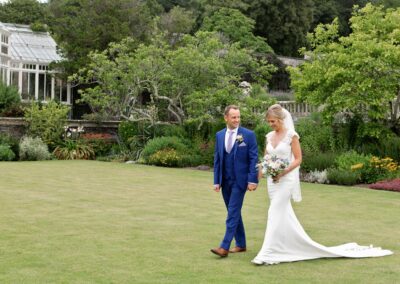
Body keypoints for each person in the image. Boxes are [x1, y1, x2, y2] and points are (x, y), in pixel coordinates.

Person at [252, 104, 393, 265]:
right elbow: (266, 158)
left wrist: (282, 172)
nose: (271, 125)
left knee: (273, 211)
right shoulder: (269, 136)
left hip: (286, 179)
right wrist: (262, 173)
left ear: (281, 119)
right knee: (283, 213)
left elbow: (298, 159)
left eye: (273, 121)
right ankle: (287, 245)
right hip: (273, 182)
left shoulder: (292, 135)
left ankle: (267, 253)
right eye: (269, 122)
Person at [211, 105, 259, 257]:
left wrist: (253, 180)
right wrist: (216, 181)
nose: (237, 120)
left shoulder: (248, 135)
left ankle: (224, 247)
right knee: (234, 212)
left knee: (232, 212)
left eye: (238, 117)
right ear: (226, 118)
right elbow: (217, 159)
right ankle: (241, 244)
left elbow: (253, 159)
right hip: (225, 181)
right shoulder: (219, 135)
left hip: (241, 181)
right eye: (233, 117)